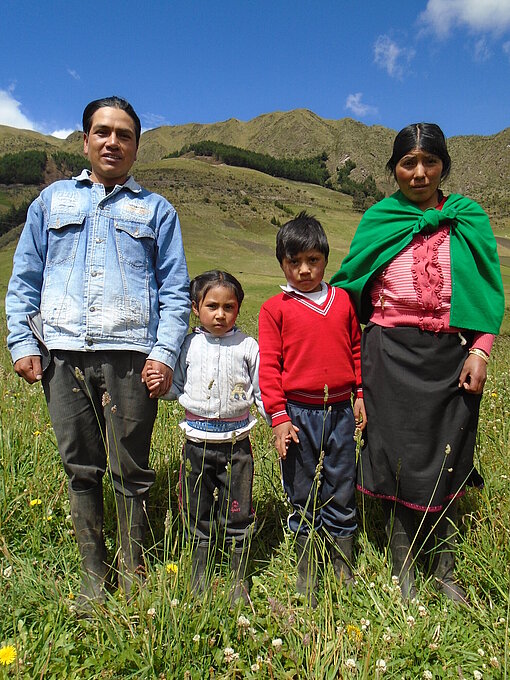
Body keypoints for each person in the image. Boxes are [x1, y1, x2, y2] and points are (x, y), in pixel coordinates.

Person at [5, 96, 190, 611]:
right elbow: (25, 278)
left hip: (132, 356)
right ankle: (94, 575)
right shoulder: (50, 202)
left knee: (132, 469)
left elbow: (175, 290)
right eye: (103, 132)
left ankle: (132, 573)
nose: (113, 142)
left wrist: (165, 352)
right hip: (62, 354)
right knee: (80, 468)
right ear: (85, 140)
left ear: (136, 147)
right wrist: (22, 341)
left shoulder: (156, 211)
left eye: (124, 135)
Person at [330, 123, 505, 603]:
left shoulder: (467, 218)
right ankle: (404, 565)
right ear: (394, 169)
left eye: (430, 162)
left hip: (452, 357)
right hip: (388, 355)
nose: (420, 172)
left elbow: (487, 291)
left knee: (448, 455)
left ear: (444, 165)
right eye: (409, 163)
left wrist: (481, 349)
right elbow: (351, 287)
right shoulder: (380, 219)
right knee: (397, 458)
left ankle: (445, 568)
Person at [258, 212, 366, 607]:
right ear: (282, 263)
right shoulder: (275, 308)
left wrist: (359, 394)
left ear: (325, 259)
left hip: (339, 411)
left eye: (313, 261)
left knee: (341, 485)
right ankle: (307, 571)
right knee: (302, 491)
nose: (304, 270)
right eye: (294, 262)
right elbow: (269, 366)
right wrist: (279, 418)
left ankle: (342, 567)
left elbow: (356, 350)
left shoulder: (342, 301)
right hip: (298, 415)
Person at [147, 270, 266, 604]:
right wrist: (161, 388)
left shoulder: (247, 346)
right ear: (195, 307)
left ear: (238, 309)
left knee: (238, 510)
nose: (220, 314)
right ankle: (200, 566)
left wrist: (277, 420)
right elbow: (178, 386)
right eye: (212, 305)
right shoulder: (188, 345)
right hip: (195, 445)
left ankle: (237, 574)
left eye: (229, 307)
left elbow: (261, 391)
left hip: (237, 446)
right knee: (196, 509)